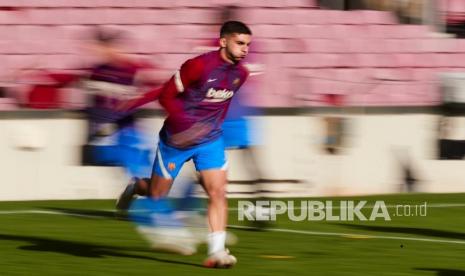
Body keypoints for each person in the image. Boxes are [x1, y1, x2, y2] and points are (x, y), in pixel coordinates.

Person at [116, 21, 252, 268]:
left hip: (210, 140)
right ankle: (136, 187)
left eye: (247, 45)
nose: (245, 49)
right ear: (223, 41)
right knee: (158, 194)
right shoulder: (198, 65)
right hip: (176, 141)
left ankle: (217, 253)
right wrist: (184, 123)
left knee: (218, 192)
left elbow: (218, 107)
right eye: (240, 43)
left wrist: (207, 128)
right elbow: (166, 94)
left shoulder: (241, 74)